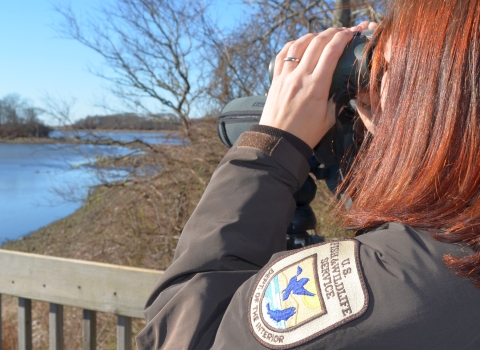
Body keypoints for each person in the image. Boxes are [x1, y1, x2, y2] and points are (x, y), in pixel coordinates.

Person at [136, 0, 480, 348]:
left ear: (446, 91)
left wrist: (270, 149)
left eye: (386, 67)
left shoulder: (411, 277)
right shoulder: (451, 247)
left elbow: (183, 333)